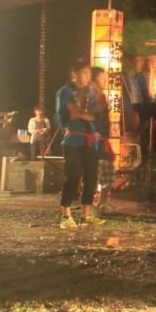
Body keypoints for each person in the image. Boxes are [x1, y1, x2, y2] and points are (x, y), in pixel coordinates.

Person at [57, 60, 103, 228]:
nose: (86, 77)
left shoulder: (92, 93)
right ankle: (66, 216)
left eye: (88, 73)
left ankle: (86, 214)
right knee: (72, 176)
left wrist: (85, 116)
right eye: (83, 73)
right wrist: (84, 115)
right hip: (73, 139)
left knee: (91, 177)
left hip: (90, 140)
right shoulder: (66, 92)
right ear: (74, 74)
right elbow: (70, 114)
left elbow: (96, 115)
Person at [91, 67, 117, 214]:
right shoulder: (90, 96)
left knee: (107, 170)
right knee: (96, 172)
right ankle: (94, 205)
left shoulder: (101, 96)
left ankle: (103, 203)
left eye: (106, 79)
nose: (105, 81)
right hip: (94, 140)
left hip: (102, 139)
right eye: (102, 78)